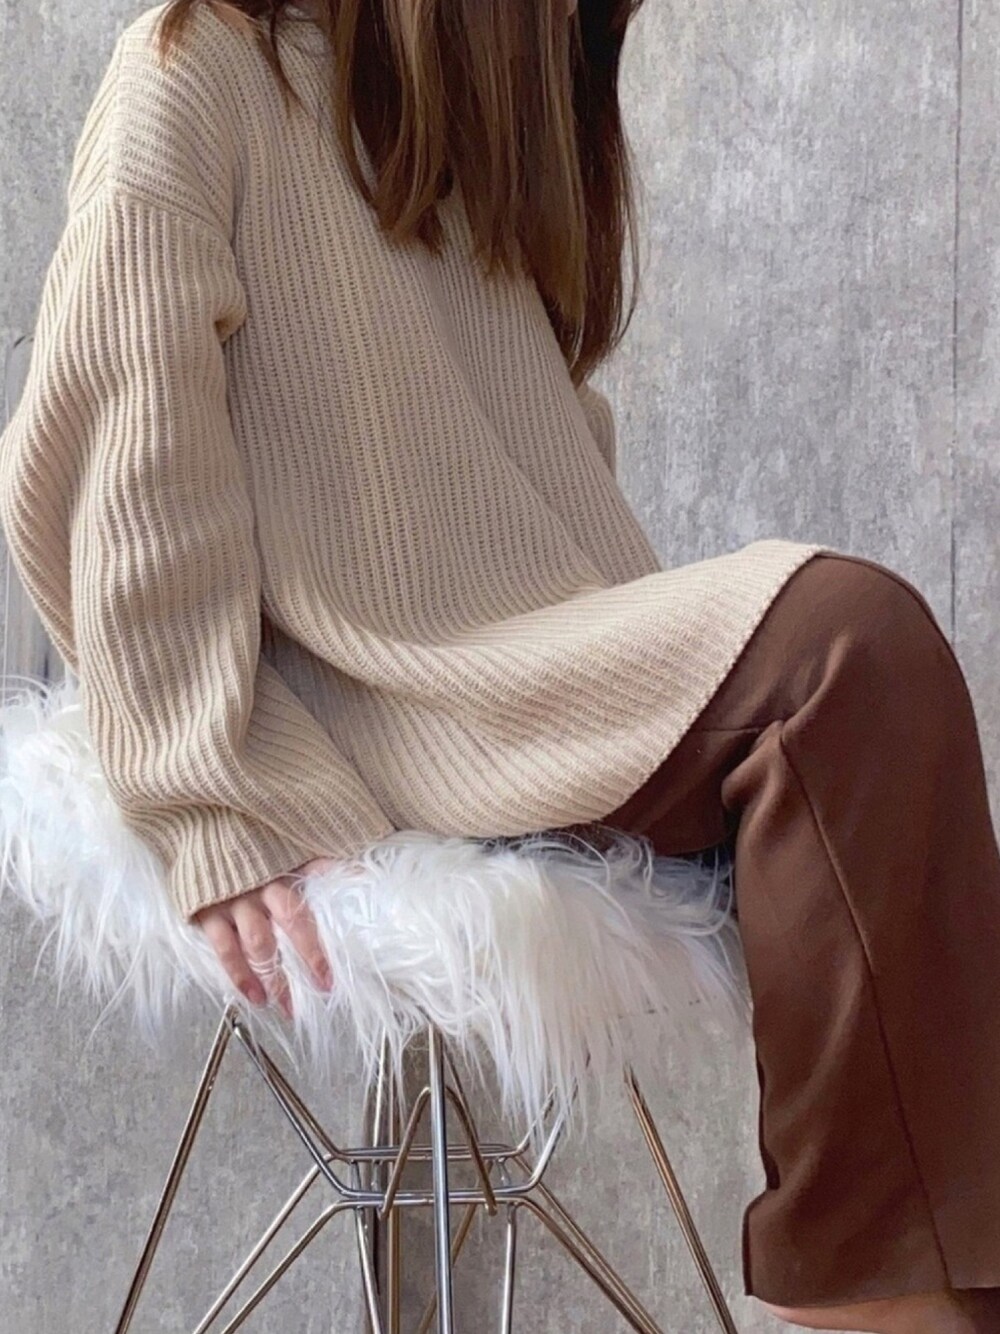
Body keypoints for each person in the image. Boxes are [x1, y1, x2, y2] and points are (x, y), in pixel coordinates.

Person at [1, 2, 998, 1329]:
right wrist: (205, 787)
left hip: (534, 666)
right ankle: (877, 1304)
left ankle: (923, 1294)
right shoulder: (194, 69)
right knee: (847, 648)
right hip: (385, 701)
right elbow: (116, 461)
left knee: (856, 685)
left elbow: (540, 466)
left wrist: (633, 638)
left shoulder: (454, 129)